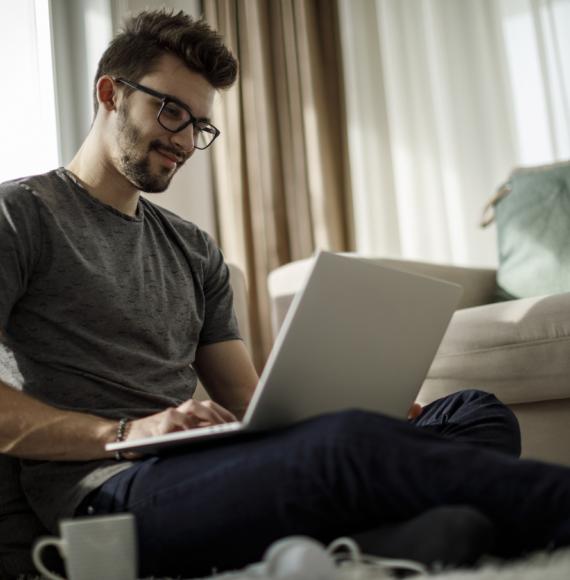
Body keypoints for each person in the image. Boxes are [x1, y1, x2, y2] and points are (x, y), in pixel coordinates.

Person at [1, 9, 570, 579]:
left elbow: (247, 400)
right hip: (113, 493)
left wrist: (353, 407)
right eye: (171, 112)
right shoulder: (21, 215)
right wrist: (126, 433)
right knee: (346, 445)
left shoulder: (193, 247)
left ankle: (398, 537)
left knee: (474, 413)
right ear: (110, 93)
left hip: (214, 467)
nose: (183, 142)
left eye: (199, 126)